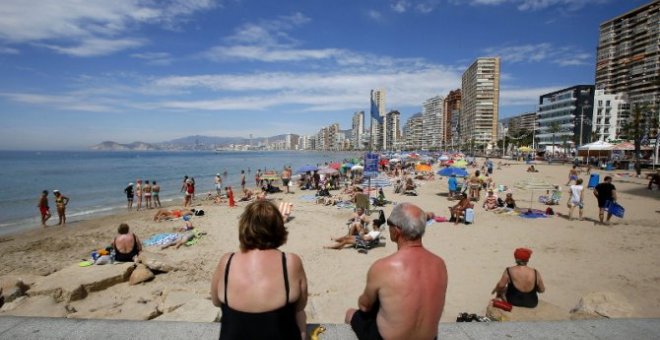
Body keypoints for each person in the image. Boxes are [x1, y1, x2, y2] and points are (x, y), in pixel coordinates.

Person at [345, 203, 447, 340]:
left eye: (389, 223)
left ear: (396, 230)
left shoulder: (383, 267)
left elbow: (364, 306)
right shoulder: (439, 264)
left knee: (351, 314)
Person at [210, 200, 308, 340]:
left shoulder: (227, 261)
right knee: (300, 314)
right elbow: (300, 306)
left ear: (244, 227)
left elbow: (216, 301)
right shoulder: (291, 262)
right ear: (279, 228)